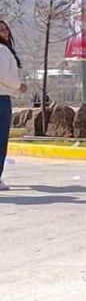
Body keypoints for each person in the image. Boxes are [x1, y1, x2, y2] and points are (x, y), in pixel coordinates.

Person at [0, 20, 27, 192]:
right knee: (1, 140)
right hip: (1, 98)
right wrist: (19, 86)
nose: (4, 31)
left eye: (5, 28)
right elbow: (3, 75)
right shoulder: (2, 50)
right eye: (0, 29)